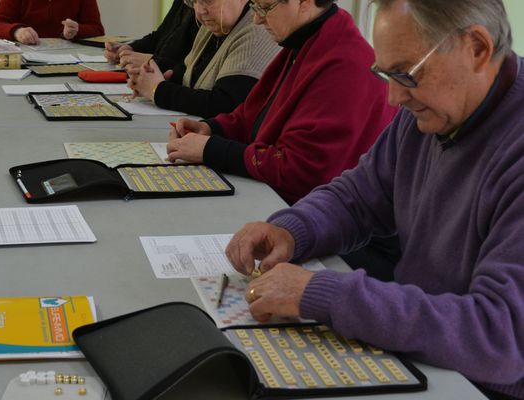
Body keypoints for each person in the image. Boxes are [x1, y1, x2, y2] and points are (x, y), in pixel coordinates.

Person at [226, 0, 524, 398]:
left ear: (477, 49)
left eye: (406, 74)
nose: (393, 98)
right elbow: (359, 195)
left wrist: (325, 294)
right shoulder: (432, 108)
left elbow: (498, 336)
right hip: (420, 354)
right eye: (386, 73)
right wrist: (292, 230)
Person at [167, 0, 396, 205]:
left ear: (304, 2)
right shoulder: (306, 39)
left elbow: (300, 169)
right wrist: (212, 128)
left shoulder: (345, 64)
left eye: (265, 7)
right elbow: (254, 115)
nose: (256, 19)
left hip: (330, 221)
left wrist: (211, 149)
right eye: (255, 6)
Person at [128, 0, 279, 118]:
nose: (199, 10)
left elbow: (224, 105)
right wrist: (149, 80)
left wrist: (158, 90)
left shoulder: (256, 32)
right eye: (194, 1)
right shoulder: (213, 26)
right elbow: (186, 72)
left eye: (208, 1)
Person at [105, 0, 198, 74]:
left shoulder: (205, 13)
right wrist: (130, 48)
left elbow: (192, 68)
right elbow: (158, 36)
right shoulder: (181, 2)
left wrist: (152, 61)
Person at [0, 0, 105, 44]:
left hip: (68, 60)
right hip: (24, 59)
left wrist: (77, 30)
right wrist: (17, 31)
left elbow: (97, 29)